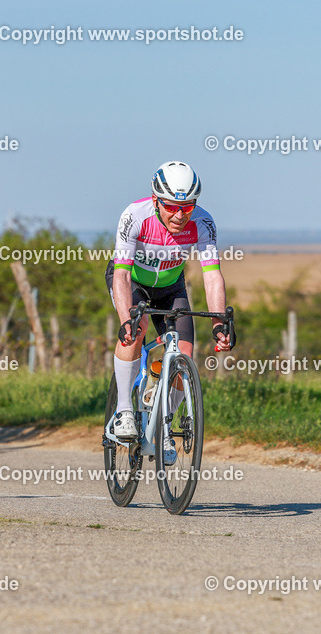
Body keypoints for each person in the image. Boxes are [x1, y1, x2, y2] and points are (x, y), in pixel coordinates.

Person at [106, 161, 234, 453]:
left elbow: (212, 274)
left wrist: (218, 323)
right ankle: (124, 411)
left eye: (187, 207)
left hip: (171, 287)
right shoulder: (134, 216)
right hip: (132, 281)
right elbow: (122, 274)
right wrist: (126, 319)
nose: (179, 215)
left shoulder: (204, 223)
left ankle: (163, 425)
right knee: (134, 331)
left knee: (184, 352)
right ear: (155, 201)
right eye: (171, 206)